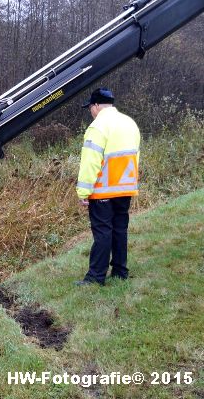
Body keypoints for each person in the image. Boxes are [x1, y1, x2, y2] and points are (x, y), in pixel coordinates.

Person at [75, 88, 141, 286]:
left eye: (90, 108)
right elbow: (135, 156)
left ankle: (95, 277)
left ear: (96, 106)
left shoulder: (98, 127)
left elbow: (90, 162)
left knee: (103, 232)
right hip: (125, 188)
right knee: (120, 230)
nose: (90, 112)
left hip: (103, 190)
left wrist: (83, 191)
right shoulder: (130, 123)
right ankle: (120, 271)